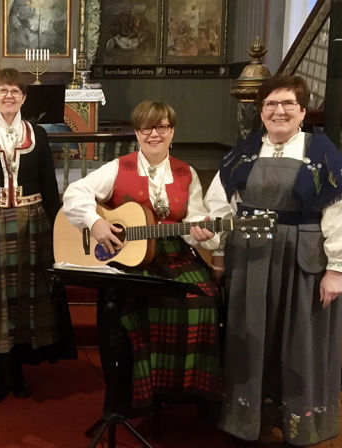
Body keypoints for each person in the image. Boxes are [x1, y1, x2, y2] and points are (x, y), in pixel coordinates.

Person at [204, 75, 342, 446]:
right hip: (250, 258)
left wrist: (335, 270)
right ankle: (249, 419)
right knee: (250, 336)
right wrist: (218, 251)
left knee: (299, 339)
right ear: (261, 112)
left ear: (303, 111)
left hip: (301, 260)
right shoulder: (244, 153)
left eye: (288, 103)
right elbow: (220, 205)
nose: (279, 111)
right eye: (271, 104)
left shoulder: (321, 154)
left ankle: (299, 421)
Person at [61, 99, 222, 411]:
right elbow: (75, 192)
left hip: (174, 253)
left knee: (202, 299)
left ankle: (180, 390)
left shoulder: (186, 173)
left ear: (172, 132)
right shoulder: (118, 167)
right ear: (137, 132)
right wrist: (95, 222)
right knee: (136, 304)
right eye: (147, 127)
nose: (154, 134)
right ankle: (140, 392)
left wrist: (201, 232)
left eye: (162, 127)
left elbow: (193, 221)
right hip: (130, 256)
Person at [0, 68, 75, 403]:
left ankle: (18, 369)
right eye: (3, 90)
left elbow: (49, 186)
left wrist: (60, 232)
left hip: (33, 223)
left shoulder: (38, 134)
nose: (9, 96)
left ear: (24, 97)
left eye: (15, 91)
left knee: (25, 297)